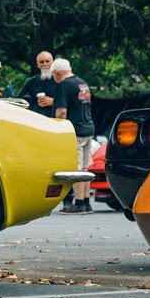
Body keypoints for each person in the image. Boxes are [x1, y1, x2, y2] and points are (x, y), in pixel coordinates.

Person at [51, 57, 97, 214]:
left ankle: (78, 204)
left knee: (76, 170)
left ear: (57, 72)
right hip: (88, 128)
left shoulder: (64, 85)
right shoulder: (81, 83)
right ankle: (86, 202)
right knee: (85, 168)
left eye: (54, 75)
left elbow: (61, 111)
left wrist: (58, 128)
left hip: (75, 130)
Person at [18, 51, 58, 118]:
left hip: (57, 119)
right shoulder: (31, 82)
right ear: (38, 65)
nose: (45, 64)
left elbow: (73, 101)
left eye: (47, 61)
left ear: (53, 62)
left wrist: (54, 102)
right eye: (42, 62)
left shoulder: (61, 80)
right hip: (36, 119)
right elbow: (20, 100)